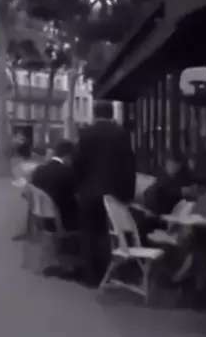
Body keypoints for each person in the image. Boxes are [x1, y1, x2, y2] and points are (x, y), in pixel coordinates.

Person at [72, 100, 136, 287]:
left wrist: (78, 188)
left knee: (90, 233)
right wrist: (128, 194)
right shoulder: (122, 134)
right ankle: (114, 272)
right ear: (111, 114)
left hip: (89, 192)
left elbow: (77, 164)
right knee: (113, 233)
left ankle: (92, 276)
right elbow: (129, 166)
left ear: (95, 113)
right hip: (115, 193)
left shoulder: (87, 134)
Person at [30, 140, 79, 232]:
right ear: (68, 156)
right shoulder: (68, 172)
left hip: (43, 221)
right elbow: (76, 195)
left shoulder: (38, 171)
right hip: (66, 223)